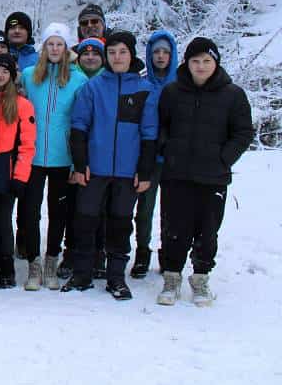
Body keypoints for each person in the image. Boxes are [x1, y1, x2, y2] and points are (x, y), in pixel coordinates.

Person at [156, 38, 253, 306]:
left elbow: (243, 132)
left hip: (213, 176)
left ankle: (200, 277)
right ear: (187, 63)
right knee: (174, 227)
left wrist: (224, 158)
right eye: (195, 61)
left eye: (206, 61)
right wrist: (168, 148)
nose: (200, 66)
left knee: (208, 230)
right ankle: (172, 276)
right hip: (177, 174)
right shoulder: (173, 92)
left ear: (215, 63)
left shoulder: (233, 95)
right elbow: (160, 125)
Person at [63, 30, 158, 300]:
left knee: (120, 223)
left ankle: (116, 277)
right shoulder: (93, 87)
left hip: (128, 172)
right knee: (85, 220)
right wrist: (81, 165)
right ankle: (82, 274)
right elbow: (79, 126)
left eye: (123, 52)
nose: (117, 57)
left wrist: (145, 169)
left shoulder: (144, 89)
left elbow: (150, 132)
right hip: (96, 169)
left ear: (131, 55)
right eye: (112, 52)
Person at [20, 23, 88, 289]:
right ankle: (33, 263)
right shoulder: (29, 75)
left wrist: (76, 162)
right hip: (33, 157)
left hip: (63, 158)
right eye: (51, 44)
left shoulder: (78, 79)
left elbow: (81, 122)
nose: (55, 49)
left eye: (60, 44)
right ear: (44, 47)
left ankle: (51, 260)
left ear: (67, 47)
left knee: (58, 212)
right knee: (30, 212)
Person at [0, 54, 36, 288]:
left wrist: (20, 176)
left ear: (12, 75)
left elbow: (27, 144)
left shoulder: (22, 105)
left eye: (4, 71)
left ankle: (7, 269)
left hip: (8, 169)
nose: (0, 75)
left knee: (4, 221)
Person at [132, 29, 177, 278]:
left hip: (172, 159)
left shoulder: (181, 84)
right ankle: (142, 251)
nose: (160, 56)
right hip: (147, 157)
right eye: (156, 52)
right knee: (145, 208)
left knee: (171, 209)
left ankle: (168, 253)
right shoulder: (142, 84)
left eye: (165, 52)